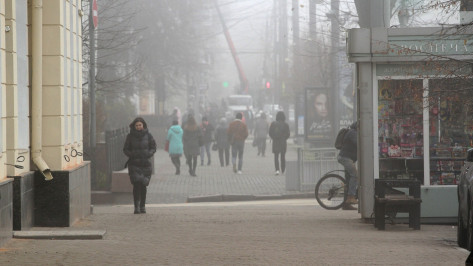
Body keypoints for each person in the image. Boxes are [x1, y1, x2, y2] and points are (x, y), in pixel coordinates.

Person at [123, 117, 157, 214]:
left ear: (143, 125)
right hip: (134, 164)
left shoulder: (148, 136)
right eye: (137, 125)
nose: (138, 127)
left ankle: (142, 205)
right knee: (136, 184)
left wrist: (148, 154)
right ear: (134, 126)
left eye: (140, 125)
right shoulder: (130, 136)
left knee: (143, 185)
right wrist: (132, 154)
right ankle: (136, 206)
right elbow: (125, 149)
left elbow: (153, 147)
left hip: (145, 164)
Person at [338, 121, 358, 210]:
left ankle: (346, 204)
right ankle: (351, 197)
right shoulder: (353, 133)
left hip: (348, 158)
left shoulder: (353, 132)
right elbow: (360, 144)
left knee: (349, 180)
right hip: (345, 158)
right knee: (355, 175)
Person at [269, 111, 290, 175]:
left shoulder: (273, 124)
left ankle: (277, 170)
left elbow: (270, 133)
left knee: (276, 156)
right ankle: (283, 169)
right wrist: (284, 138)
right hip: (283, 142)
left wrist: (274, 138)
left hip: (275, 142)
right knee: (283, 156)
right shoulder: (286, 125)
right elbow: (288, 134)